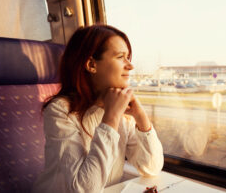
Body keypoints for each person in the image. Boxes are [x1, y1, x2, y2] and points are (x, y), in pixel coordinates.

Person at [32, 25, 164, 193]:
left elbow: (151, 167)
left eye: (128, 57)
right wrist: (111, 117)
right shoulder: (60, 111)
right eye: (120, 57)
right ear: (91, 64)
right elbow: (85, 189)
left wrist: (141, 117)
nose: (130, 66)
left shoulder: (122, 109)